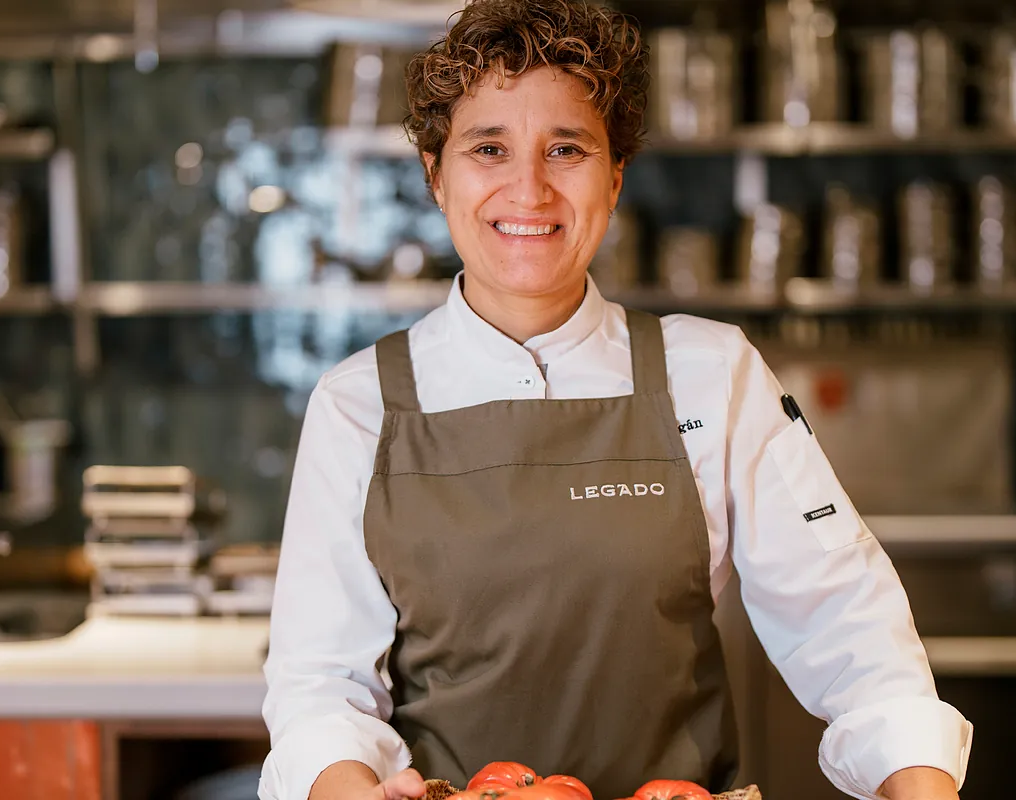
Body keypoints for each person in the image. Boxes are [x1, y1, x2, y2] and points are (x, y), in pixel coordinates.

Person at [259, 1, 972, 799]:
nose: (527, 188)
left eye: (566, 148)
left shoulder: (713, 374)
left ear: (615, 176)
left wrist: (922, 786)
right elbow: (319, 687)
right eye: (488, 148)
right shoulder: (358, 406)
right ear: (436, 175)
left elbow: (849, 625)